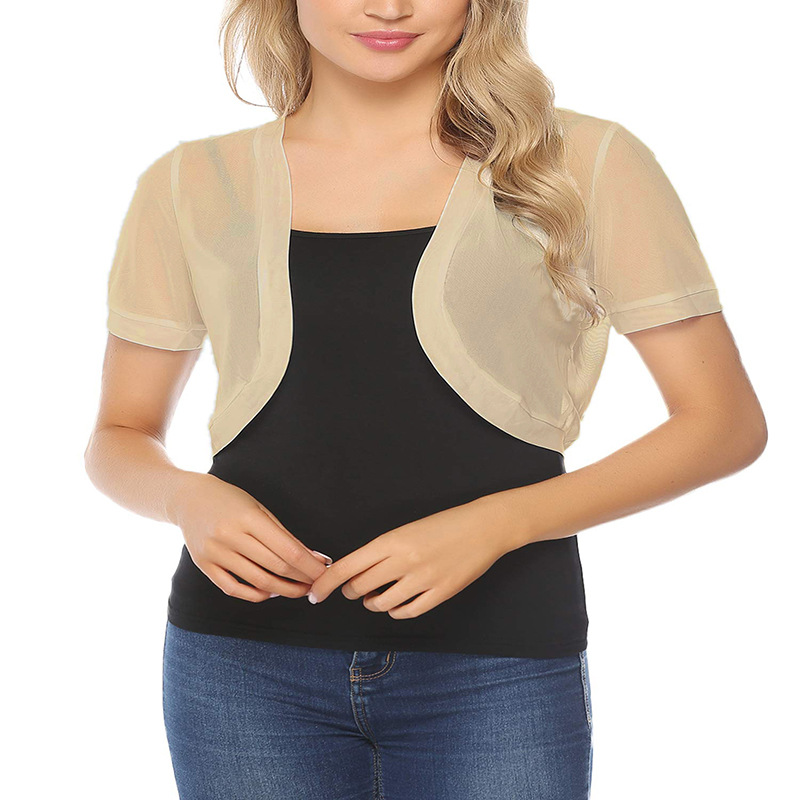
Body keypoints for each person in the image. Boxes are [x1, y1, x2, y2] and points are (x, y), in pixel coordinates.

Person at [84, 1, 767, 798]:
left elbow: (724, 423)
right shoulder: (192, 181)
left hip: (497, 664)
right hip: (241, 666)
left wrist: (498, 524)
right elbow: (119, 434)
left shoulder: (582, 162)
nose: (389, 5)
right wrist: (186, 500)